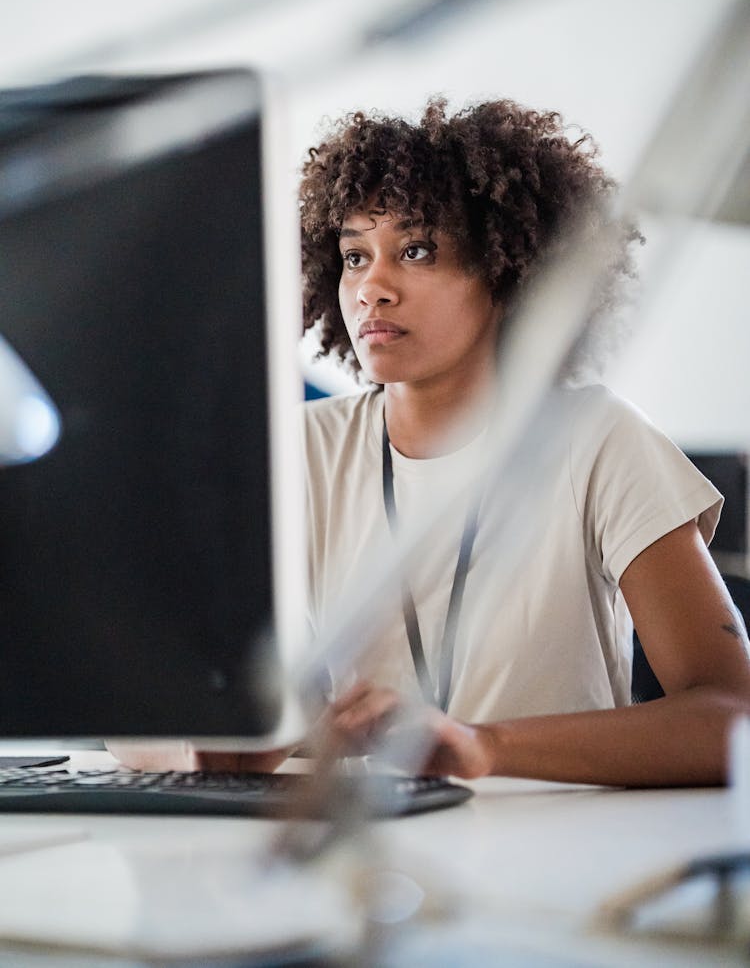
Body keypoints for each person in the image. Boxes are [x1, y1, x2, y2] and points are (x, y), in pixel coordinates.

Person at [112, 97, 750, 783]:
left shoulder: (596, 440)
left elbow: (730, 714)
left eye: (416, 251)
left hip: (564, 846)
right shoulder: (299, 451)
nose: (372, 288)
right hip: (365, 857)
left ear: (509, 272)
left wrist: (479, 745)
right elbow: (131, 712)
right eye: (355, 256)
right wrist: (207, 747)